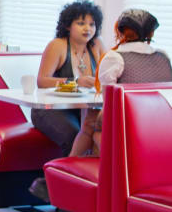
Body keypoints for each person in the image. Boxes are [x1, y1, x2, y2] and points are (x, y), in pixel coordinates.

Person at [28, 0, 106, 201]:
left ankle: (79, 194)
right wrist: (76, 81)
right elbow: (42, 81)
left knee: (98, 139)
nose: (87, 29)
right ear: (68, 25)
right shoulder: (58, 46)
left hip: (85, 110)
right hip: (50, 110)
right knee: (74, 135)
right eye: (81, 23)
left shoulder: (97, 46)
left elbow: (108, 76)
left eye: (91, 24)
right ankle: (61, 195)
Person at [69, 9, 172, 157]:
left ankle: (68, 167)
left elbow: (109, 104)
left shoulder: (114, 58)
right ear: (151, 33)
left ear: (120, 31)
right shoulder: (163, 57)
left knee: (89, 123)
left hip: (130, 131)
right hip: (162, 127)